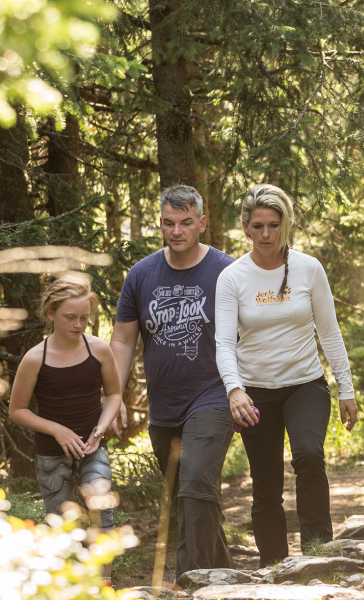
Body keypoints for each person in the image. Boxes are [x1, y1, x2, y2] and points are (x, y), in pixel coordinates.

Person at [215, 184, 358, 567]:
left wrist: (347, 387)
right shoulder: (232, 278)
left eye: (273, 225)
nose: (266, 235)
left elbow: (329, 332)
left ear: (285, 225)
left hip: (305, 384)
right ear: (246, 227)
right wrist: (235, 390)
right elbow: (224, 342)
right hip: (254, 393)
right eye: (258, 226)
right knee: (265, 484)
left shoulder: (309, 269)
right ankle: (274, 566)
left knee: (309, 456)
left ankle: (318, 555)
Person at [110, 184, 235, 578]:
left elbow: (249, 334)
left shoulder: (226, 271)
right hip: (164, 407)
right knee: (189, 496)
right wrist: (113, 399)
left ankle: (188, 582)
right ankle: (225, 577)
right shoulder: (142, 274)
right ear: (160, 224)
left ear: (201, 224)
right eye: (168, 223)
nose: (176, 231)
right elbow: (123, 341)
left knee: (195, 482)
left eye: (185, 223)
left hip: (214, 396)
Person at [9, 277, 122, 587]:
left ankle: (104, 585)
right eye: (70, 317)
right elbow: (16, 410)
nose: (78, 324)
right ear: (50, 314)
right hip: (50, 453)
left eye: (84, 317)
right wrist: (56, 429)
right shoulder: (35, 358)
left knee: (102, 508)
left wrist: (101, 426)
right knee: (60, 527)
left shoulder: (98, 349)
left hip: (91, 446)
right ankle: (67, 588)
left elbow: (113, 394)